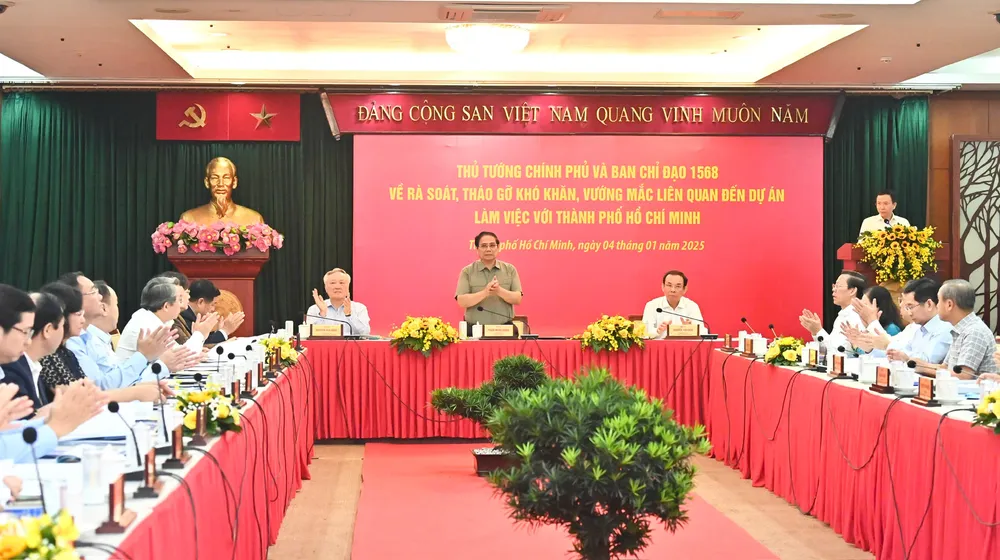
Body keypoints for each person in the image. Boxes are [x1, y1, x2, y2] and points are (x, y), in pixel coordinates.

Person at [39, 283, 171, 404]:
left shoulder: (66, 352)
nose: (82, 320)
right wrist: (135, 392)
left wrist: (141, 389)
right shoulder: (50, 356)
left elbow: (91, 390)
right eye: (78, 314)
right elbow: (82, 398)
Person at [59, 274, 176, 389]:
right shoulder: (73, 342)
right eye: (93, 292)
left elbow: (121, 381)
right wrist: (144, 356)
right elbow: (102, 387)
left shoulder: (90, 337)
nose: (100, 297)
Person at [117, 277, 217, 362]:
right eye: (179, 300)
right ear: (166, 306)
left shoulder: (155, 319)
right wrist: (200, 334)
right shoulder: (146, 325)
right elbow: (179, 359)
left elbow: (176, 352)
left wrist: (197, 349)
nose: (181, 305)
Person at [1, 292, 65, 412]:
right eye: (25, 331)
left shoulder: (32, 365)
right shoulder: (12, 369)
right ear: (48, 330)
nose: (28, 341)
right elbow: (24, 419)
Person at [926, 279, 998, 379]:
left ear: (949, 304)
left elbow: (963, 376)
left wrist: (924, 369)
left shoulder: (975, 331)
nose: (937, 306)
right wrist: (917, 364)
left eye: (938, 301)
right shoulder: (961, 329)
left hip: (975, 389)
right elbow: (945, 367)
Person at [455, 231, 522, 326]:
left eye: (492, 245)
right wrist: (485, 292)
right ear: (477, 249)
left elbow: (517, 299)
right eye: (484, 246)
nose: (488, 249)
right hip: (475, 328)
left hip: (504, 328)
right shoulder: (467, 271)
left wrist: (499, 291)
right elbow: (462, 301)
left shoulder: (510, 269)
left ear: (498, 247)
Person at [179, 157, 264, 226]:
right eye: (215, 178)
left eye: (226, 178)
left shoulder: (253, 219)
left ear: (234, 182)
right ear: (207, 182)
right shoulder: (189, 219)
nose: (220, 184)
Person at [799, 271, 867, 353]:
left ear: (852, 291)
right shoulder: (842, 315)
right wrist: (815, 332)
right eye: (835, 286)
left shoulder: (855, 316)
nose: (833, 289)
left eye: (838, 286)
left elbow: (839, 352)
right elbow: (828, 350)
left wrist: (818, 331)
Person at [641, 270, 704, 339]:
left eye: (678, 286)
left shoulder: (692, 306)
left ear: (684, 289)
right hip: (659, 345)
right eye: (669, 285)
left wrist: (692, 329)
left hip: (684, 345)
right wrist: (658, 331)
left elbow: (703, 332)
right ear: (663, 287)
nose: (673, 290)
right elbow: (644, 334)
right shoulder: (652, 306)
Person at [307, 269, 371, 335]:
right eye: (333, 283)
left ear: (348, 287)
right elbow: (309, 333)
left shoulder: (359, 308)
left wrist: (349, 315)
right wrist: (322, 314)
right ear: (325, 287)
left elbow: (365, 333)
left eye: (341, 283)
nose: (337, 287)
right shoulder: (314, 309)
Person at [183, 279, 244, 344]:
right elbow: (200, 344)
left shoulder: (190, 314)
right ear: (201, 302)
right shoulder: (184, 318)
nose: (213, 309)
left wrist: (217, 331)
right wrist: (225, 330)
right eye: (212, 304)